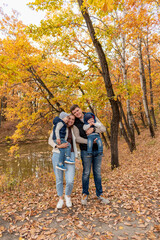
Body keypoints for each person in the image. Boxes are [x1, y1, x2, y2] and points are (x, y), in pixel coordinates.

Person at [70, 104, 110, 205]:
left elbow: (103, 128)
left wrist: (93, 130)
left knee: (97, 173)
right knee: (86, 173)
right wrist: (90, 142)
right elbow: (77, 139)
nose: (77, 113)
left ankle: (100, 194)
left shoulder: (91, 116)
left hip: (97, 150)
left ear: (80, 109)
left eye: (77, 110)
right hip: (85, 151)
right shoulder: (75, 123)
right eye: (74, 113)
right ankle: (85, 194)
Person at [49, 114, 77, 209]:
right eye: (69, 118)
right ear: (66, 118)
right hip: (57, 153)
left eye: (73, 119)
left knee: (70, 180)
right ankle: (60, 199)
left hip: (70, 155)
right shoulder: (58, 125)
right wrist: (58, 146)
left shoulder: (73, 130)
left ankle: (67, 196)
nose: (70, 120)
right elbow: (50, 140)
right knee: (59, 179)